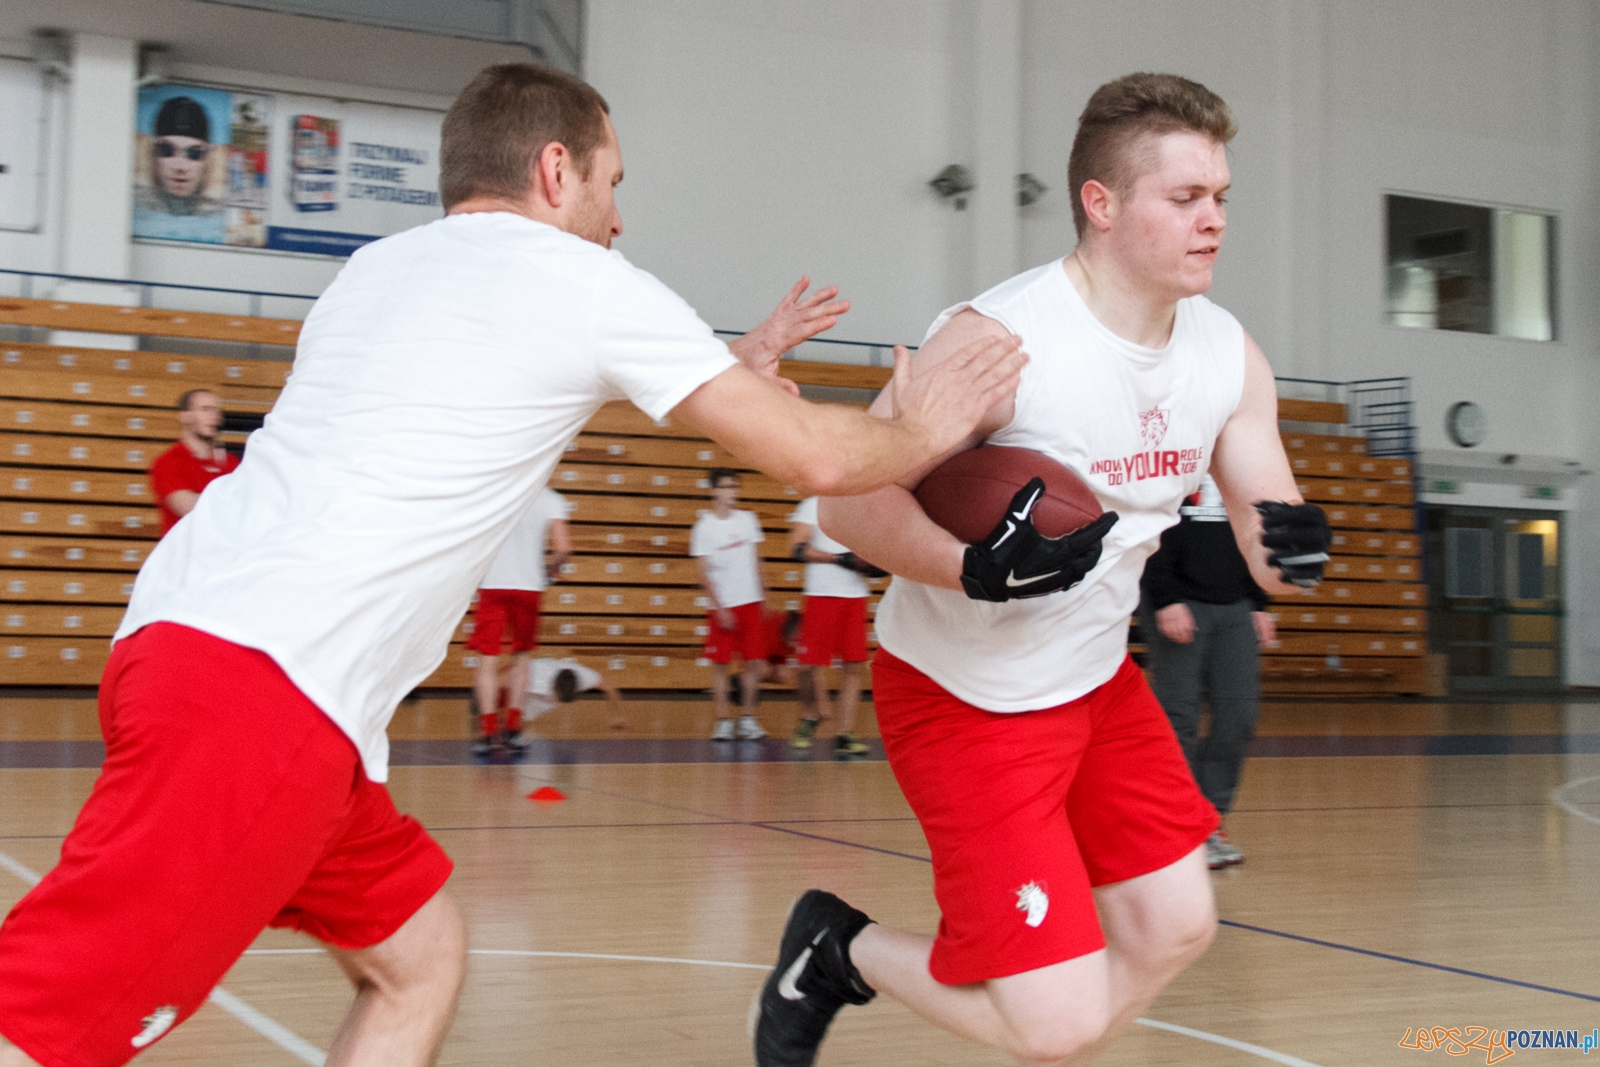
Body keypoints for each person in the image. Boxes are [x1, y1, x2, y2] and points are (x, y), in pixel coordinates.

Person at [0, 62, 1024, 1067]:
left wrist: (731, 366)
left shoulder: (379, 269)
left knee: (419, 955)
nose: (619, 216)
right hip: (266, 692)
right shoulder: (581, 278)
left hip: (198, 646)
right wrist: (930, 422)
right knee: (42, 1026)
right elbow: (819, 458)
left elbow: (505, 378)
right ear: (554, 169)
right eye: (612, 182)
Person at [752, 72, 1331, 1067]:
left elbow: (1266, 529)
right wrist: (972, 565)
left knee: (1178, 924)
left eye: (1221, 198)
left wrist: (1295, 553)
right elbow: (848, 502)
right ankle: (836, 946)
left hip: (1099, 683)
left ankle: (1021, 998)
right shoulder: (996, 341)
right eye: (1185, 199)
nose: (1213, 222)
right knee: (1055, 1026)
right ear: (1100, 204)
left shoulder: (1228, 356)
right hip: (964, 697)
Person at [1139, 473, 1276, 869]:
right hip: (1178, 599)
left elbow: (1256, 533)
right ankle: (1178, 828)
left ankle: (1209, 820)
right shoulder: (1175, 453)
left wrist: (1259, 601)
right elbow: (1149, 526)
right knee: (1178, 715)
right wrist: (1165, 597)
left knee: (1239, 714)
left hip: (1236, 605)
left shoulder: (1241, 460)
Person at [468, 486, 571, 755]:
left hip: (493, 585)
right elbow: (563, 549)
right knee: (522, 660)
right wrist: (552, 568)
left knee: (487, 661)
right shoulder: (551, 498)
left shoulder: (494, 492)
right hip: (529, 587)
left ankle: (488, 733)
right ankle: (513, 730)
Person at [786, 496, 882, 757]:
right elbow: (796, 548)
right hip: (820, 596)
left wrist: (874, 563)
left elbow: (873, 552)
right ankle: (809, 716)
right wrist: (838, 559)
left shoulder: (861, 507)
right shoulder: (812, 506)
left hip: (855, 597)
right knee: (806, 666)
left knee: (853, 666)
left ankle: (844, 733)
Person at [692, 468, 771, 741]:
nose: (731, 492)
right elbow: (702, 572)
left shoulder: (748, 520)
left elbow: (757, 559)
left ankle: (748, 718)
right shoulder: (704, 527)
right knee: (721, 665)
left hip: (751, 602)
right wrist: (719, 608)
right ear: (713, 490)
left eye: (734, 487)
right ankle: (723, 719)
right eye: (726, 487)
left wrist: (765, 594)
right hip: (723, 606)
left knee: (753, 663)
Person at [134, 95, 225, 244]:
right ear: (153, 154)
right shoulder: (136, 205)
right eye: (167, 150)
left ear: (208, 159)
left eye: (194, 154)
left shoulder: (219, 215)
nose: (180, 167)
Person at [148, 389, 238, 535]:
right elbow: (187, 507)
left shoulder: (231, 463)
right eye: (205, 409)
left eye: (217, 410)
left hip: (225, 553)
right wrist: (233, 505)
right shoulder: (168, 462)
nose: (214, 416)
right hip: (185, 554)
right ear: (185, 416)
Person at [522, 655, 624, 729]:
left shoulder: (587, 677)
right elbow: (510, 676)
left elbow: (611, 689)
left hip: (548, 685)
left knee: (527, 717)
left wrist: (617, 717)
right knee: (521, 716)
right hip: (533, 674)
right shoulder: (537, 675)